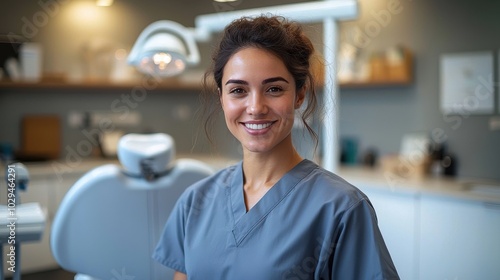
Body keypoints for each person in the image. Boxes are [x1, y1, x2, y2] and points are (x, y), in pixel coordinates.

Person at [153, 15, 400, 280]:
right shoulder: (195, 202)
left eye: (273, 89)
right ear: (221, 98)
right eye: (238, 90)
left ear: (299, 94)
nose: (256, 107)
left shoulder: (341, 208)